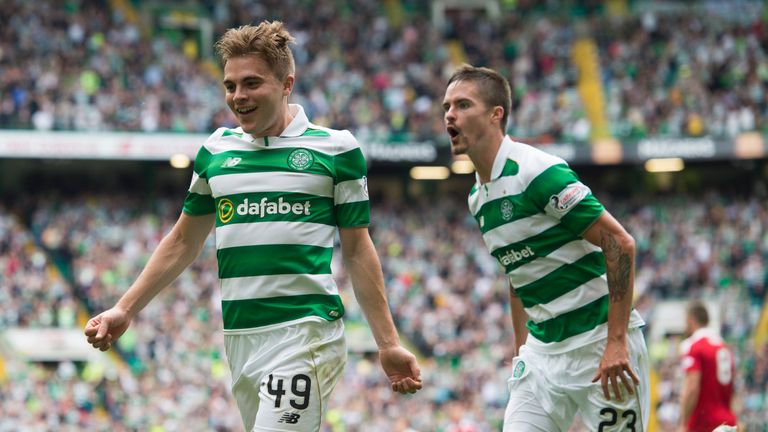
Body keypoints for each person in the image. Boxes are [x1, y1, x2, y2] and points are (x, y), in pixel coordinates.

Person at [85, 21, 422, 431]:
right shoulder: (216, 151)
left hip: (305, 333)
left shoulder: (336, 149)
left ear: (286, 84)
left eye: (251, 83)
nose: (238, 97)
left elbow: (357, 249)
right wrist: (125, 308)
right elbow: (182, 241)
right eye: (230, 86)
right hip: (240, 337)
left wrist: (387, 343)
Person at [442, 64, 650, 431]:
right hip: (542, 356)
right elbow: (517, 275)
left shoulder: (536, 171)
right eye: (446, 107)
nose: (450, 115)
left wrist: (617, 341)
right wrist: (522, 350)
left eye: (462, 105)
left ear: (496, 115)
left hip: (599, 344)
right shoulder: (477, 197)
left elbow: (619, 243)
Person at [677, 301, 737, 432]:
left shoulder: (694, 345)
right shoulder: (724, 347)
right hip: (727, 422)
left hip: (704, 422)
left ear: (690, 320)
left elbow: (692, 387)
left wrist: (683, 423)